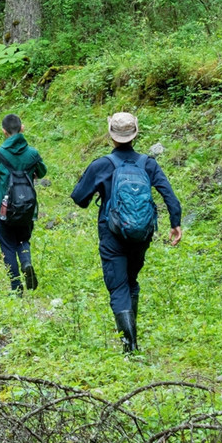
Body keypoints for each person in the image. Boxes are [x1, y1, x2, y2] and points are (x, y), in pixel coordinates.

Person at [71, 112, 183, 354]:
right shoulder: (148, 164)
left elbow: (79, 199)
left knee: (118, 285)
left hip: (112, 235)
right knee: (131, 281)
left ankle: (129, 345)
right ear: (135, 134)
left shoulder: (102, 165)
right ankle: (132, 339)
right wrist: (175, 223)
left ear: (111, 135)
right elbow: (170, 197)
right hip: (141, 235)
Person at [0, 114, 47, 295]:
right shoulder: (33, 153)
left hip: (4, 208)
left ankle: (16, 287)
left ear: (4, 131)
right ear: (22, 128)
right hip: (27, 207)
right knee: (23, 239)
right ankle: (26, 262)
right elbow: (42, 171)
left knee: (7, 246)